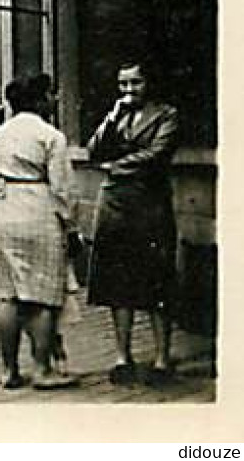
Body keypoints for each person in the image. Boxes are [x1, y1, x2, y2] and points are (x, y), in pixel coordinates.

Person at [86, 61, 180, 384]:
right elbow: (92, 151)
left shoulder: (166, 114)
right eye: (123, 84)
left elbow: (157, 154)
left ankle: (161, 358)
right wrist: (112, 117)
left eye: (135, 83)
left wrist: (115, 166)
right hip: (115, 204)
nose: (128, 91)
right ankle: (122, 356)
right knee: (117, 281)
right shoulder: (118, 115)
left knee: (157, 278)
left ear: (149, 83)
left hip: (150, 204)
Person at [0, 74, 78, 390]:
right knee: (42, 296)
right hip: (39, 210)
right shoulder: (51, 136)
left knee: (9, 295)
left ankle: (9, 370)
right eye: (50, 95)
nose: (54, 100)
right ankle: (42, 369)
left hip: (4, 213)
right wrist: (71, 226)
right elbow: (63, 189)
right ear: (39, 100)